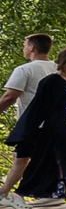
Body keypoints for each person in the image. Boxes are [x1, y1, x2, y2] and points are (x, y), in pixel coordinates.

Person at [15, 49, 66, 200]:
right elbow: (38, 107)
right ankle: (21, 194)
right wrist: (26, 131)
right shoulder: (50, 81)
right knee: (50, 161)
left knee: (60, 161)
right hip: (57, 128)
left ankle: (53, 193)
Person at [2, 33, 54, 196]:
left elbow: (10, 96)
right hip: (53, 124)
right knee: (45, 161)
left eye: (25, 46)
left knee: (21, 158)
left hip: (32, 123)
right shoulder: (58, 68)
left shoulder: (24, 69)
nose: (24, 49)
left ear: (31, 47)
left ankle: (7, 193)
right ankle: (47, 194)